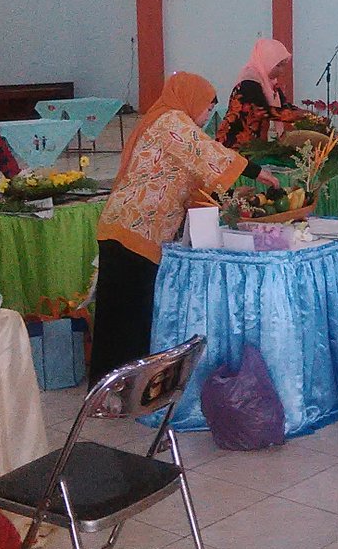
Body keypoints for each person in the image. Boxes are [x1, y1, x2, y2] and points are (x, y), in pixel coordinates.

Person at [91, 73, 278, 382]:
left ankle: (120, 389)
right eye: (206, 109)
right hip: (130, 230)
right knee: (123, 316)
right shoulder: (171, 121)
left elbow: (191, 178)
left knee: (128, 314)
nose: (206, 118)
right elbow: (208, 154)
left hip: (136, 232)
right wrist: (260, 174)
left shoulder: (171, 122)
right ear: (189, 99)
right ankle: (110, 391)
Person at [217, 38, 308, 148]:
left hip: (255, 144)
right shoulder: (249, 82)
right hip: (235, 143)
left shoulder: (269, 83)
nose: (282, 71)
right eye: (278, 65)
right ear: (266, 61)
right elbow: (261, 111)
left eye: (284, 65)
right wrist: (301, 116)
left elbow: (284, 105)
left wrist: (309, 116)